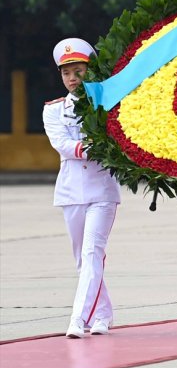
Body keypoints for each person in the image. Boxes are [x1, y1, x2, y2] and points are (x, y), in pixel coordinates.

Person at [43, 38, 122, 338]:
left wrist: (97, 146)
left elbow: (115, 140)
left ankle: (78, 319)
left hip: (102, 189)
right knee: (82, 257)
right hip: (71, 189)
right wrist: (93, 147)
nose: (72, 78)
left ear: (91, 70)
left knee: (92, 252)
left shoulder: (108, 104)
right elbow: (61, 145)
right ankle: (102, 313)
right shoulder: (53, 110)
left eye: (78, 71)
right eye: (66, 73)